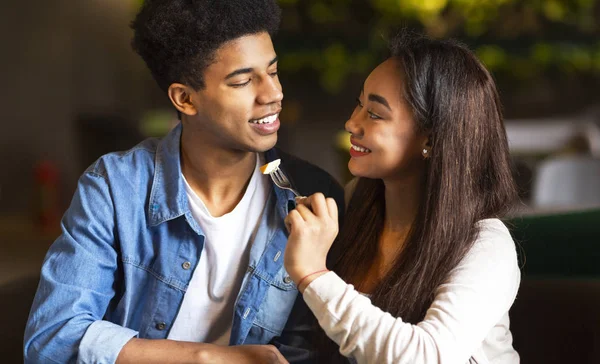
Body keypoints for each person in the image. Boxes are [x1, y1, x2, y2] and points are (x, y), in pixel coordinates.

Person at [23, 1, 343, 363]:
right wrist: (209, 358)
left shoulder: (313, 196)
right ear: (185, 99)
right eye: (242, 80)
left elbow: (311, 350)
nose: (272, 94)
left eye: (273, 71)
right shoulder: (114, 188)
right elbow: (52, 338)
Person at [283, 32, 521, 364]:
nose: (352, 122)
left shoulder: (485, 244)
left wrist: (312, 275)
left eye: (375, 114)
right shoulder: (354, 204)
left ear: (432, 139)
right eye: (359, 103)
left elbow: (428, 356)